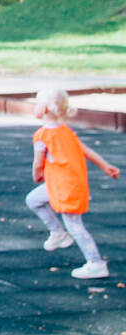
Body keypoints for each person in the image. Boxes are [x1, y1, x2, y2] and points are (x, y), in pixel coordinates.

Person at [27, 87, 119, 279]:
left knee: (75, 226)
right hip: (64, 184)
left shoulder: (42, 135)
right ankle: (58, 233)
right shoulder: (65, 131)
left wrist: (36, 175)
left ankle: (96, 263)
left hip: (64, 188)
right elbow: (86, 150)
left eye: (37, 103)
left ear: (44, 108)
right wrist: (105, 165)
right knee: (33, 200)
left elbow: (37, 163)